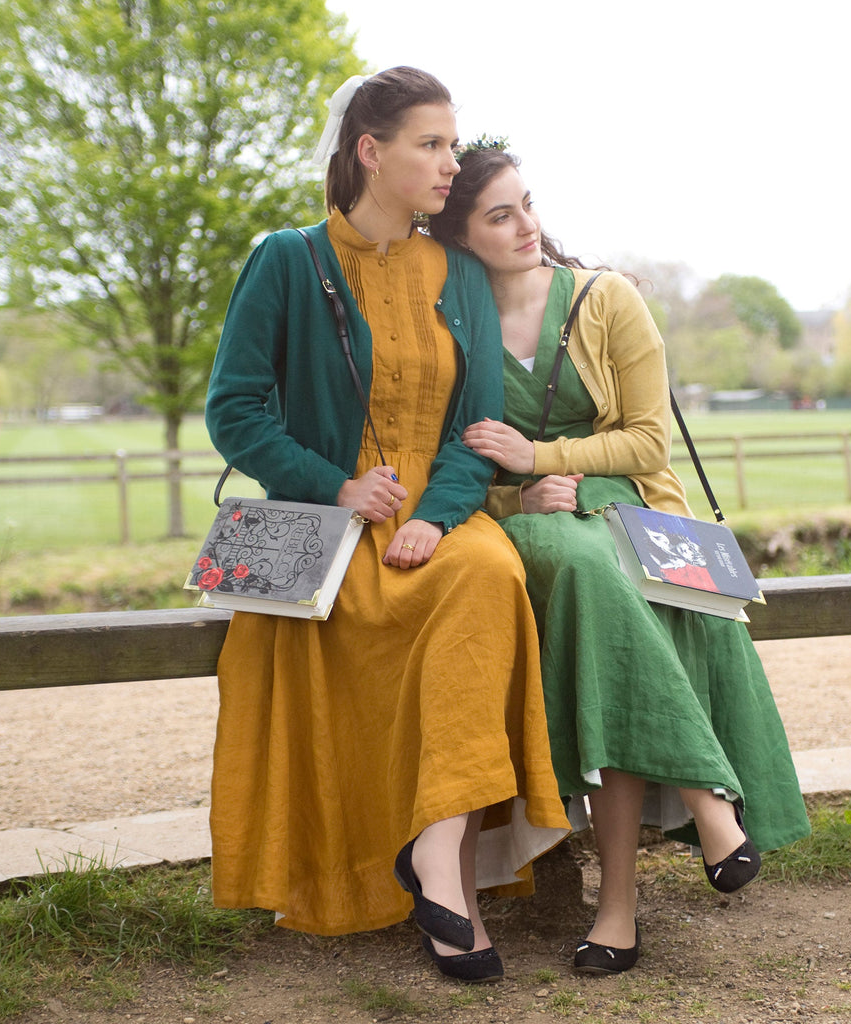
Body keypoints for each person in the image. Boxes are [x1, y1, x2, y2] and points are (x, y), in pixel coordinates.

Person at [203, 71, 570, 984]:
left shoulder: (458, 273)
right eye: (431, 145)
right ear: (371, 152)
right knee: (366, 622)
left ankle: (437, 863)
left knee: (489, 576)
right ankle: (426, 883)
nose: (450, 163)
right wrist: (333, 487)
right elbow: (236, 411)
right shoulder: (287, 259)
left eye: (452, 146)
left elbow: (475, 426)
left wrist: (441, 518)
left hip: (444, 521)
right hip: (330, 524)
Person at [429, 145, 810, 975]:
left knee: (600, 597)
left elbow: (648, 441)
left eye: (527, 203)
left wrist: (543, 459)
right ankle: (708, 807)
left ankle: (621, 912)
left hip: (632, 521)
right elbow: (446, 467)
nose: (527, 224)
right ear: (460, 233)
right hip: (525, 526)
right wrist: (517, 496)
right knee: (579, 569)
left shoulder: (608, 300)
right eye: (500, 214)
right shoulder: (448, 326)